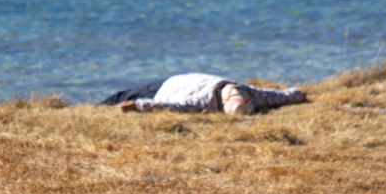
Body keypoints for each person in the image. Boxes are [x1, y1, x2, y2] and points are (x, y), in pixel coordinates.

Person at [100, 71, 306, 114]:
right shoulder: (249, 93)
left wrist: (137, 106)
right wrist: (297, 94)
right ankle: (97, 108)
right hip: (169, 84)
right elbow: (281, 96)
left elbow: (172, 106)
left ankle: (97, 109)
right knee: (119, 97)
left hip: (169, 88)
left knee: (122, 97)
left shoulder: (244, 91)